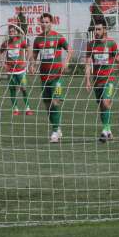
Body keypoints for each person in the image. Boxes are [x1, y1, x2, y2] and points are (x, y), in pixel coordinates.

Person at [84, 20, 119, 142]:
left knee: (105, 102)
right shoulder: (91, 45)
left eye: (99, 29)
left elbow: (118, 61)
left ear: (104, 30)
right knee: (103, 107)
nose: (96, 32)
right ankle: (108, 131)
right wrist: (87, 80)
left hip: (109, 79)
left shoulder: (111, 44)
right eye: (95, 29)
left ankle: (104, 131)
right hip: (97, 81)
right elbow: (88, 64)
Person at [32, 13, 73, 143]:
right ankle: (57, 127)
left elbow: (70, 50)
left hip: (57, 77)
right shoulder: (38, 40)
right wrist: (32, 65)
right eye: (42, 22)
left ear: (51, 23)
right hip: (44, 78)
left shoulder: (58, 37)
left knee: (55, 102)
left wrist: (66, 62)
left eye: (46, 22)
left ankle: (55, 131)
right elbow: (34, 55)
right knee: (47, 105)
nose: (44, 24)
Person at [0, 25, 33, 116]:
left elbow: (29, 50)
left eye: (13, 31)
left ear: (16, 32)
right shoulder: (6, 43)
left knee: (24, 88)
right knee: (12, 89)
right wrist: (3, 64)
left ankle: (28, 108)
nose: (11, 33)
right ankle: (15, 109)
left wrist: (26, 62)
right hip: (10, 71)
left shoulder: (21, 41)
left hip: (21, 71)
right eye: (10, 32)